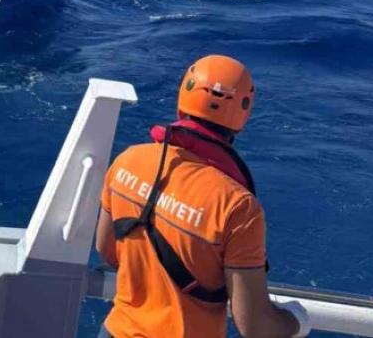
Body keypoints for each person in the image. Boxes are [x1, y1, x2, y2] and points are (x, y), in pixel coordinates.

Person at [95, 55, 311, 338]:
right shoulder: (237, 207)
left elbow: (107, 249)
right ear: (243, 113)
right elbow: (256, 326)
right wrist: (296, 320)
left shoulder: (127, 160)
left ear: (184, 94)